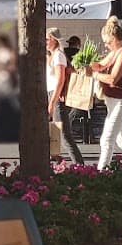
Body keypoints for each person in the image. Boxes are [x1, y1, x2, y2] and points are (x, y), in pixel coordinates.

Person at [88, 17, 122, 170]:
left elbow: (113, 79)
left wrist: (94, 74)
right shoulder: (114, 53)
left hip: (121, 102)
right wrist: (88, 64)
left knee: (107, 139)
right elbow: (100, 65)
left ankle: (101, 171)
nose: (106, 45)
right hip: (113, 101)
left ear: (115, 38)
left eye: (108, 42)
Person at [45, 27, 84, 164]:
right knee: (55, 133)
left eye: (48, 39)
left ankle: (80, 167)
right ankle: (58, 162)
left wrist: (52, 102)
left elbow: (60, 80)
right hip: (51, 95)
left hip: (57, 97)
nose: (45, 42)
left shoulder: (58, 56)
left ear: (55, 40)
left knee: (65, 136)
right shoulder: (51, 56)